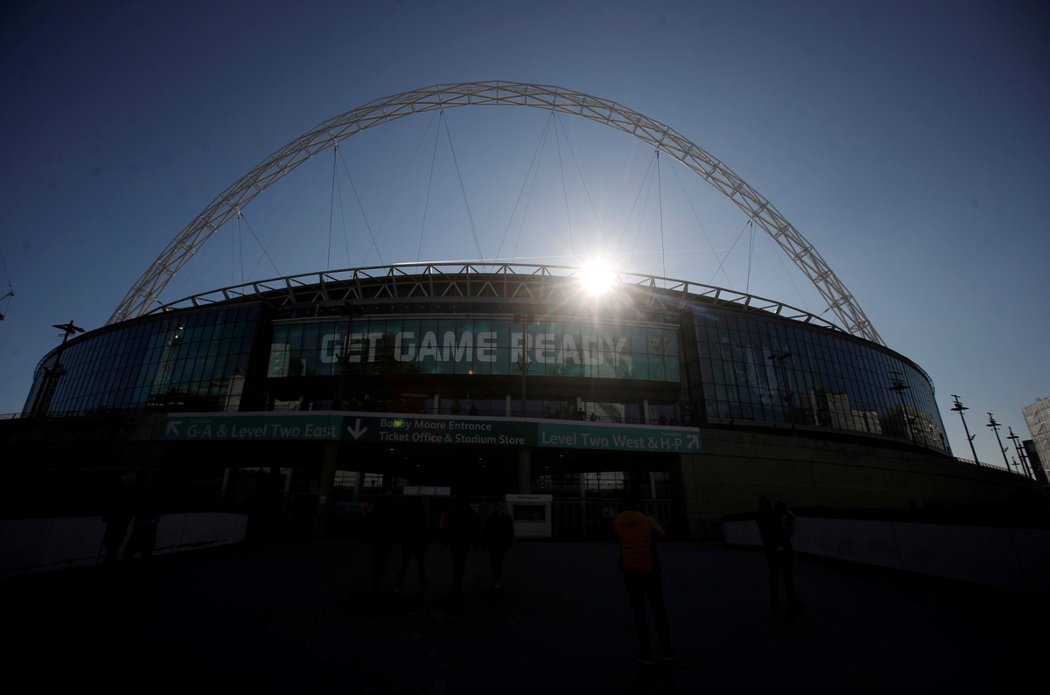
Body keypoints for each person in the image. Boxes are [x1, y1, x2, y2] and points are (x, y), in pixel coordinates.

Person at [613, 493, 676, 666]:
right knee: (659, 610)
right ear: (638, 506)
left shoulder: (618, 523)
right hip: (650, 571)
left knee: (639, 613)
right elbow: (661, 533)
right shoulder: (648, 521)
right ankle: (667, 650)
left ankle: (646, 652)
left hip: (631, 572)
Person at [759, 496, 801, 612]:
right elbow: (783, 533)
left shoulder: (764, 517)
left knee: (776, 577)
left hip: (775, 552)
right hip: (779, 551)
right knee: (785, 577)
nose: (770, 505)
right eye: (768, 503)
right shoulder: (769, 517)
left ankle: (778, 602)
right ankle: (789, 601)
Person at [441, 498, 480, 604]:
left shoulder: (451, 511)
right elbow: (475, 527)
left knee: (456, 563)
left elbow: (446, 526)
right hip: (464, 542)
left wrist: (445, 539)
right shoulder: (470, 512)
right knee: (460, 564)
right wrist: (475, 542)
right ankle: (458, 585)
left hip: (454, 541)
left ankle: (456, 585)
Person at [395, 496, 430, 598]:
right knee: (420, 565)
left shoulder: (406, 512)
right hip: (418, 542)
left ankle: (398, 585)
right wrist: (425, 545)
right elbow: (424, 530)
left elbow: (401, 526)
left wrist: (400, 540)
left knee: (404, 564)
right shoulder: (421, 512)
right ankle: (423, 583)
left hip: (408, 542)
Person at [482, 503, 515, 589]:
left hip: (494, 542)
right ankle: (497, 579)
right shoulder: (507, 518)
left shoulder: (491, 517)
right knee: (499, 560)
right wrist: (509, 542)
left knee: (495, 561)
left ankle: (496, 578)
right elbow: (510, 531)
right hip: (501, 543)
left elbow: (486, 529)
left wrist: (485, 542)